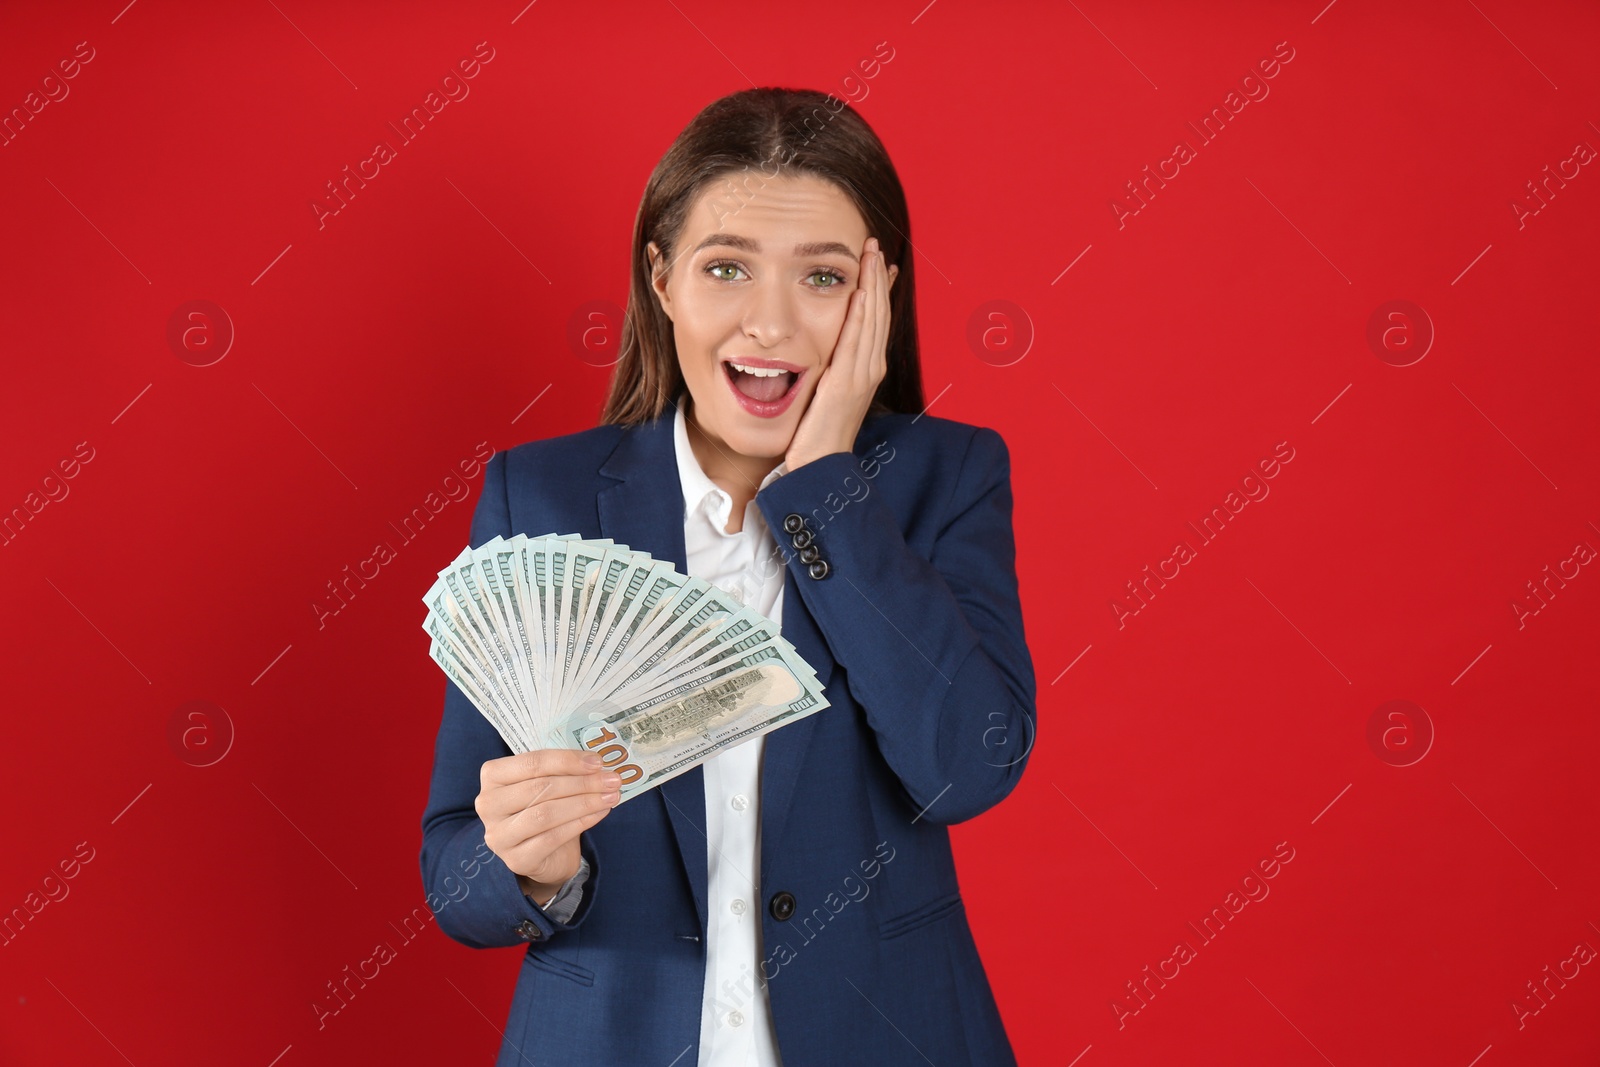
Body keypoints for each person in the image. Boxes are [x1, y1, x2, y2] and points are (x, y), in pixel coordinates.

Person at [418, 86, 1038, 1066]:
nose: (771, 324)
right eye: (725, 268)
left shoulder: (944, 479)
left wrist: (828, 488)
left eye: (824, 277)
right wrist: (528, 869)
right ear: (660, 280)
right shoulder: (539, 496)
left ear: (880, 295)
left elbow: (965, 766)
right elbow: (455, 879)